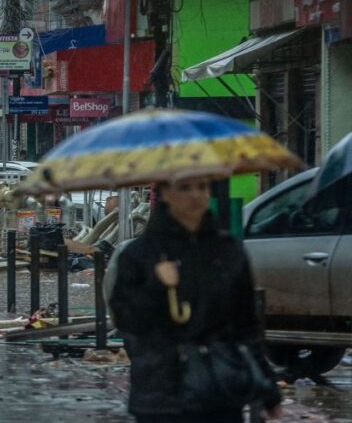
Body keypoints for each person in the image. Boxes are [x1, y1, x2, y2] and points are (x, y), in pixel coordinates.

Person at [109, 177, 282, 422]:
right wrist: (156, 286)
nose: (195, 195)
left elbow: (246, 326)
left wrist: (267, 388)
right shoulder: (140, 254)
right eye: (185, 187)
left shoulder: (228, 251)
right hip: (161, 396)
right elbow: (127, 320)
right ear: (165, 193)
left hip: (219, 391)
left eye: (202, 187)